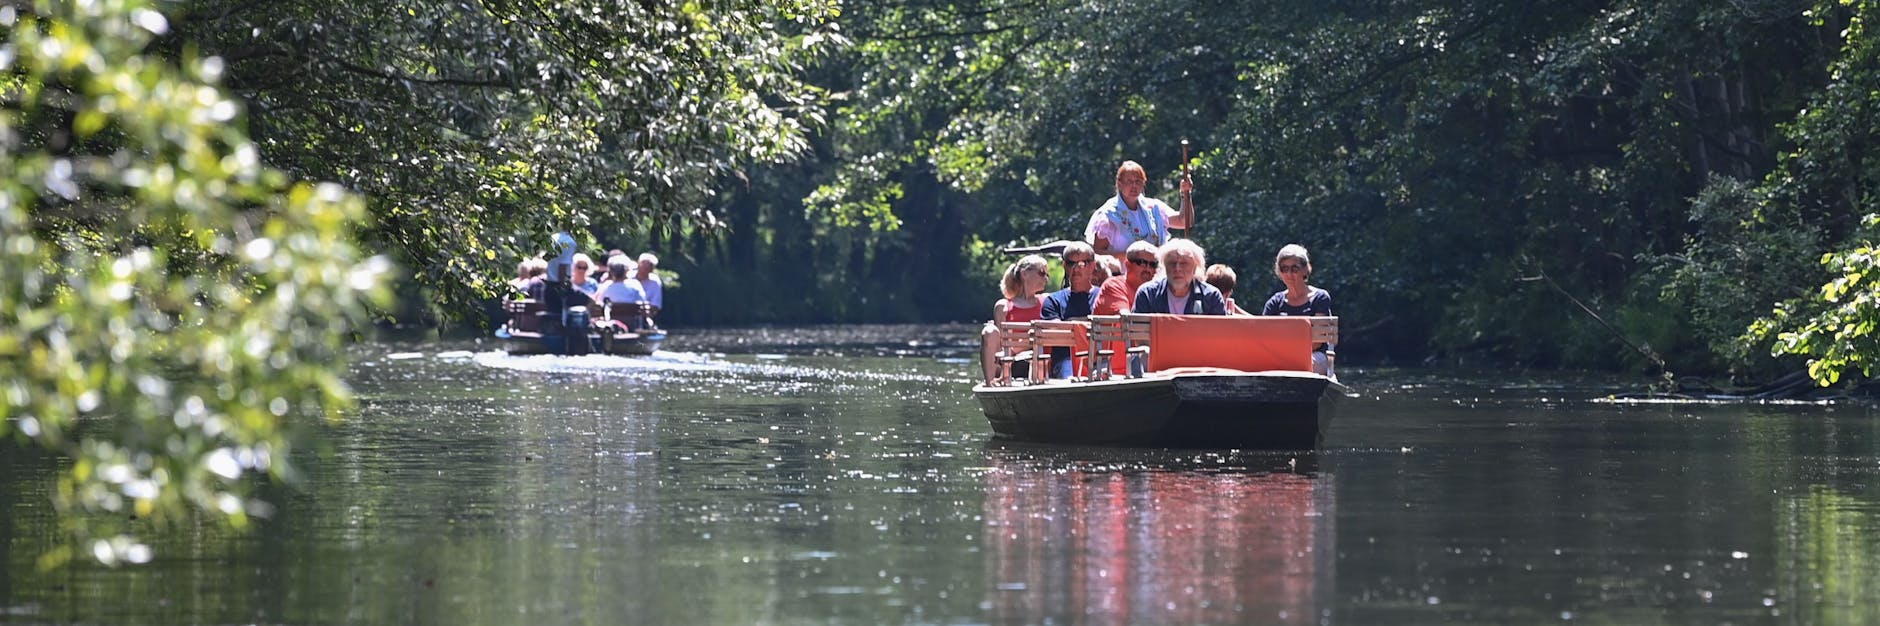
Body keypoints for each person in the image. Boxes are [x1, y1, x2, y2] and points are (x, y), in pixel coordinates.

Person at [1084, 160, 1193, 259]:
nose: (1134, 186)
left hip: (1155, 274)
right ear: (1119, 183)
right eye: (1129, 181)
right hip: (1123, 276)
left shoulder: (1154, 208)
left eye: (1138, 181)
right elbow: (1097, 253)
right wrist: (1134, 256)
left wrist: (1185, 193)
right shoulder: (1109, 215)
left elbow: (1184, 221)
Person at [1261, 244, 1334, 376]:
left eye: (1295, 268)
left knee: (1304, 365)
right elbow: (1264, 336)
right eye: (1284, 269)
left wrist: (1289, 355)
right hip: (1282, 357)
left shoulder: (1320, 297)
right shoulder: (1275, 302)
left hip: (1315, 355)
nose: (1289, 274)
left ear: (1305, 270)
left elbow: (1317, 343)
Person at [979, 254, 1050, 384]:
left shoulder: (1047, 301)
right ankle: (990, 383)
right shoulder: (1003, 306)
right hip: (1008, 362)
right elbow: (1000, 347)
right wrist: (1024, 343)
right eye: (1041, 273)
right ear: (1024, 274)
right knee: (989, 331)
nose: (1046, 278)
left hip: (1037, 361)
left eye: (1047, 275)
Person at [1040, 242, 1099, 378]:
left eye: (1083, 263)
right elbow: (1054, 334)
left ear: (1092, 266)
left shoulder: (1104, 296)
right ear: (1065, 266)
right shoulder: (1053, 301)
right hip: (1066, 359)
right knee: (1070, 375)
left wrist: (1071, 322)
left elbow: (1111, 326)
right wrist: (1089, 324)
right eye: (1072, 263)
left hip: (1100, 356)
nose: (1076, 268)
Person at [1132, 239, 1226, 315]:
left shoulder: (1211, 297)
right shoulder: (1147, 294)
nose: (1177, 268)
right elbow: (1135, 334)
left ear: (1195, 268)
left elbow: (1221, 335)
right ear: (1164, 267)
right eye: (1172, 263)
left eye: (1184, 263)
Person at [1094, 241, 1160, 317]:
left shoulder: (1155, 291)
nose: (1148, 269)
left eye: (1152, 265)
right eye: (1142, 263)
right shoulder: (1114, 285)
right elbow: (1126, 319)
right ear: (1128, 265)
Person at [595, 255, 650, 329]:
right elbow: (643, 302)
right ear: (626, 270)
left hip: (612, 326)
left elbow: (598, 302)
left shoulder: (605, 286)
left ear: (611, 271)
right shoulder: (635, 284)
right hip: (633, 325)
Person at [635, 252, 663, 316]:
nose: (644, 270)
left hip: (646, 314)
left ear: (652, 269)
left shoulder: (655, 282)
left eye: (647, 268)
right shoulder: (628, 277)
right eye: (643, 266)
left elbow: (655, 304)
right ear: (638, 265)